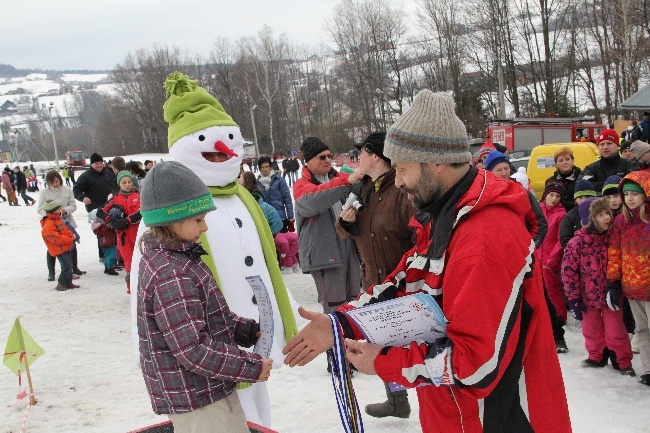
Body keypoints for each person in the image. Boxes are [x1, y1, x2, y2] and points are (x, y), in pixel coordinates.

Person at [283, 91, 572, 433]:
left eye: (403, 169)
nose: (399, 180)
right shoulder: (444, 217)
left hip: (494, 419)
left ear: (437, 162)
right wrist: (339, 324)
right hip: (454, 416)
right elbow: (404, 279)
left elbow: (474, 367)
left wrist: (386, 362)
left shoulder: (485, 237)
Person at [136, 161, 273, 433]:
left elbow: (204, 317)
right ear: (172, 221)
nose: (205, 227)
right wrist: (250, 367)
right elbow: (192, 349)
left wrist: (244, 330)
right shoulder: (171, 274)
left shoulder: (177, 259)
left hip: (204, 391)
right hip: (198, 400)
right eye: (198, 219)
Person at [335, 131, 416, 419]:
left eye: (363, 153)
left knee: (417, 350)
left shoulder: (402, 189)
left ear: (377, 156)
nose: (358, 158)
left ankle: (435, 404)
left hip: (403, 286)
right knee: (382, 345)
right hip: (374, 282)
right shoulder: (365, 188)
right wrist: (346, 224)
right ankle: (397, 400)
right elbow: (347, 230)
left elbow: (420, 237)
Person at [562, 197, 635, 375]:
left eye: (607, 213)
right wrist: (574, 299)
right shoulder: (576, 243)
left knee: (615, 329)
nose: (607, 218)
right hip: (587, 298)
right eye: (600, 215)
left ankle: (622, 359)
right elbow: (569, 273)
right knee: (591, 330)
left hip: (611, 296)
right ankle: (597, 355)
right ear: (589, 221)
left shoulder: (613, 239)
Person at [293, 137, 364, 316]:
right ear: (308, 161)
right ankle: (336, 342)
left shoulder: (339, 178)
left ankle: (353, 340)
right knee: (335, 307)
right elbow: (315, 201)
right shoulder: (301, 185)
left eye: (328, 156)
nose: (327, 160)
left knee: (356, 302)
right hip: (324, 253)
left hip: (348, 248)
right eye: (321, 157)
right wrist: (346, 184)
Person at [606, 171, 650, 386]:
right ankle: (648, 368)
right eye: (626, 194)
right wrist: (613, 281)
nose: (630, 198)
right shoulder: (622, 221)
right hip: (632, 287)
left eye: (635, 194)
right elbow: (615, 251)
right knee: (641, 330)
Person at [239, 171, 299, 274]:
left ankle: (282, 266)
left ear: (247, 180)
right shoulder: (252, 191)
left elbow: (263, 214)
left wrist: (289, 215)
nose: (238, 179)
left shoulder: (254, 195)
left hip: (273, 224)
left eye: (240, 177)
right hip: (273, 221)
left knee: (276, 246)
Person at [485, 151, 547, 248]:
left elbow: (539, 223)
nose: (504, 173)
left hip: (520, 252)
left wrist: (530, 246)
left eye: (506, 168)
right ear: (489, 172)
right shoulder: (483, 196)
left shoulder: (522, 193)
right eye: (499, 170)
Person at [97, 171, 141, 294]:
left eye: (129, 182)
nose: (127, 185)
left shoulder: (139, 195)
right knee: (128, 262)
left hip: (138, 234)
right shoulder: (115, 198)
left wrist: (128, 220)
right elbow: (100, 212)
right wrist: (111, 221)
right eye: (124, 182)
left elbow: (142, 211)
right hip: (123, 236)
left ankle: (144, 289)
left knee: (141, 261)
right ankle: (131, 290)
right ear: (119, 184)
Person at [37, 170, 85, 281]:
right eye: (52, 182)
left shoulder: (67, 190)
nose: (55, 184)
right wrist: (51, 215)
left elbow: (73, 205)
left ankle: (73, 268)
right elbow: (40, 209)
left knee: (71, 244)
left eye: (57, 181)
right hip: (52, 223)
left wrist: (65, 210)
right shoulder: (44, 192)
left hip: (66, 221)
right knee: (52, 247)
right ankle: (51, 272)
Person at [73, 153, 116, 262]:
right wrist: (83, 197)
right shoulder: (85, 176)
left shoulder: (108, 173)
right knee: (101, 231)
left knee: (112, 230)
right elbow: (76, 189)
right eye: (97, 163)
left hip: (110, 206)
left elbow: (115, 185)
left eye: (101, 163)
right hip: (95, 208)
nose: (99, 165)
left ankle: (113, 255)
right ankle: (103, 255)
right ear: (92, 164)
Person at [40, 200, 79, 291]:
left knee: (69, 266)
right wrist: (70, 239)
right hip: (59, 249)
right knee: (67, 266)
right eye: (59, 209)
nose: (61, 210)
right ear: (54, 211)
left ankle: (68, 282)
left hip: (65, 247)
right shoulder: (49, 223)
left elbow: (66, 230)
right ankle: (61, 283)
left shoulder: (57, 220)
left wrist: (71, 236)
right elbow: (56, 238)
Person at [256, 156, 294, 233]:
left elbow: (287, 198)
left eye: (267, 166)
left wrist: (290, 216)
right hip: (266, 218)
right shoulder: (257, 183)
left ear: (270, 167)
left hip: (280, 217)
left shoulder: (279, 180)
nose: (265, 169)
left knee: (282, 242)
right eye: (262, 167)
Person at [559, 179, 597, 249]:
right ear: (575, 199)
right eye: (580, 197)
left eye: (588, 197)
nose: (584, 200)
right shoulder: (570, 216)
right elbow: (565, 238)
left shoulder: (600, 213)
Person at [546, 146, 583, 211]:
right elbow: (544, 202)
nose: (564, 162)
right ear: (556, 164)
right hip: (556, 218)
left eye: (567, 159)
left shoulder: (581, 179)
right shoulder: (550, 181)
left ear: (573, 160)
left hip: (576, 215)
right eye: (561, 160)